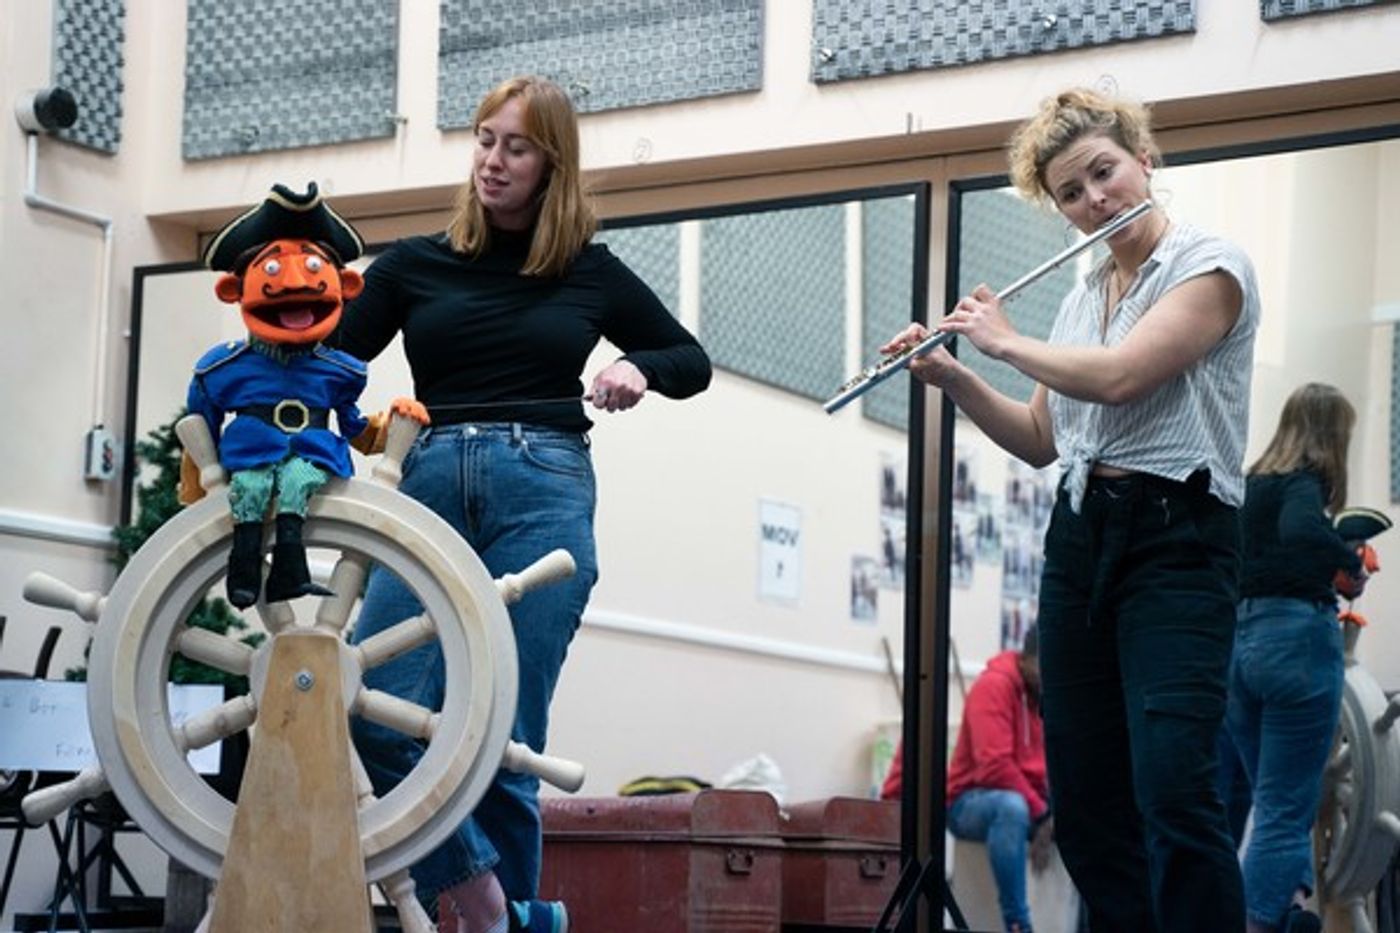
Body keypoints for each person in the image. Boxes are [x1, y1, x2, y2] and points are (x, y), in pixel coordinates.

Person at [332, 76, 712, 932]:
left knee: (507, 733)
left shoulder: (588, 270)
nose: (493, 160)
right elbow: (331, 367)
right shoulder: (410, 264)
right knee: (371, 702)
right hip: (426, 485)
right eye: (484, 138)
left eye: (516, 146)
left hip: (544, 487)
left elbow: (689, 358)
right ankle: (486, 899)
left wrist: (637, 368)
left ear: (552, 164)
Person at [882, 86, 1260, 930]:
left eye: (1104, 172)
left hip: (1180, 541)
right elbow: (1042, 438)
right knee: (1087, 804)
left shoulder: (1211, 266)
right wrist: (956, 376)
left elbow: (1125, 375)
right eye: (1072, 192)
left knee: (1175, 790)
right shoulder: (1081, 298)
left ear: (1144, 160)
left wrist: (1005, 339)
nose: (1095, 199)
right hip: (1083, 538)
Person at [1225, 383, 1364, 933]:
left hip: (1239, 646)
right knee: (1284, 814)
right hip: (1296, 644)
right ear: (1330, 435)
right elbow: (1301, 528)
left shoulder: (1248, 484)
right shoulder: (1307, 483)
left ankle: (1289, 908)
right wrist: (1346, 561)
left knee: (1272, 802)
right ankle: (1260, 922)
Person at [884, 630, 1051, 933]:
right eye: (1044, 667)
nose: (1048, 677)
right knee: (1012, 809)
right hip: (967, 802)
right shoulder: (993, 686)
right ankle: (1018, 923)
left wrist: (1051, 814)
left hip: (1023, 797)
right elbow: (994, 767)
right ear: (1026, 660)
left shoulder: (1042, 695)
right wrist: (1041, 812)